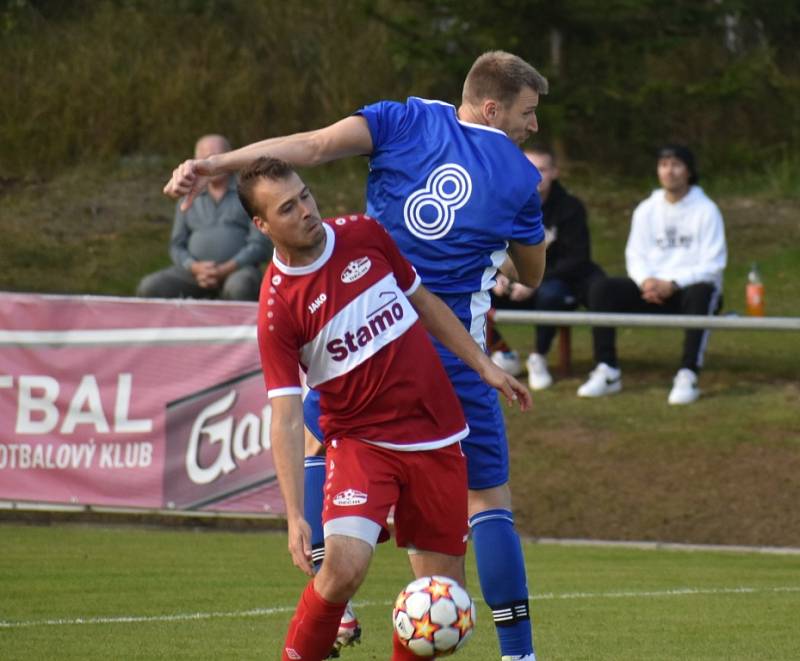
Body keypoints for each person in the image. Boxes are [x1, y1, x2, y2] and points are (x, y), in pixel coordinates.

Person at [164, 51, 548, 661]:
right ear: (494, 107)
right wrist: (495, 248)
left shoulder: (405, 120)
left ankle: (334, 608)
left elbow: (311, 146)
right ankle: (519, 653)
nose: (533, 127)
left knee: (323, 444)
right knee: (487, 502)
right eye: (528, 113)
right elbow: (531, 271)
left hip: (366, 335)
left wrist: (213, 162)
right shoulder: (521, 178)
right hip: (452, 349)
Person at [239, 157, 531, 661]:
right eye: (288, 207)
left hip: (437, 437)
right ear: (262, 225)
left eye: (305, 195)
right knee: (343, 569)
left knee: (438, 604)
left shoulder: (363, 234)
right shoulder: (277, 306)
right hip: (361, 444)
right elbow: (286, 416)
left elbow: (425, 303)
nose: (307, 210)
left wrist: (483, 365)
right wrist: (292, 516)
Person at [577, 144, 727, 405]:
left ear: (689, 172)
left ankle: (688, 374)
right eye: (664, 165)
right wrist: (646, 281)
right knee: (602, 288)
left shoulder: (707, 210)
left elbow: (714, 263)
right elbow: (635, 254)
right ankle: (608, 370)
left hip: (687, 291)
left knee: (703, 291)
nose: (669, 171)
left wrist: (673, 284)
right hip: (649, 289)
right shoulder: (646, 208)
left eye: (676, 165)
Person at [490, 146, 605, 390]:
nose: (535, 175)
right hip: (513, 279)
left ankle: (538, 358)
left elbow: (577, 258)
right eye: (529, 168)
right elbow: (492, 246)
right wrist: (499, 275)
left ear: (554, 172)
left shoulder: (571, 208)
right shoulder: (503, 204)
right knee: (474, 290)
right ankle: (503, 353)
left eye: (541, 169)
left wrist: (533, 282)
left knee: (550, 293)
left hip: (557, 281)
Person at [137, 134, 271, 300]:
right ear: (195, 161)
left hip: (239, 271)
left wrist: (226, 269)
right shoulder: (187, 197)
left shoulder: (249, 192)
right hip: (193, 275)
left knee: (240, 286)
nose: (210, 163)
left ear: (230, 158)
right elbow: (177, 245)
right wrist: (193, 267)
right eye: (204, 157)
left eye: (216, 156)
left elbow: (261, 244)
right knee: (150, 286)